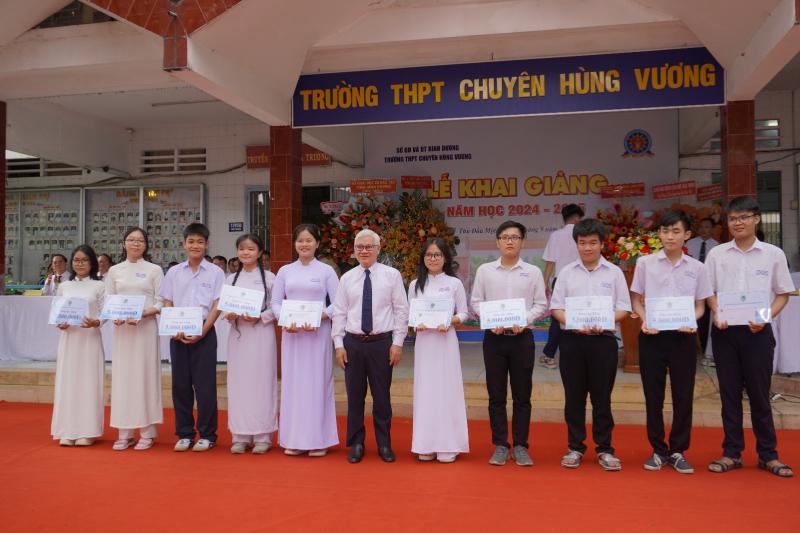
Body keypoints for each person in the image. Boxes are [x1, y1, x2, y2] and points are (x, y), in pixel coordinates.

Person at [705, 196, 795, 477]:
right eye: (733, 218)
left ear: (756, 219)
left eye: (743, 217)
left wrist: (765, 317)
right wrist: (717, 312)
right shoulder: (717, 254)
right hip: (725, 332)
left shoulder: (773, 254)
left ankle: (768, 455)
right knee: (729, 395)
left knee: (759, 394)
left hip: (758, 332)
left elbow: (783, 294)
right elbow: (709, 292)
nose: (738, 223)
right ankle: (732, 453)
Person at [630, 210, 713, 474]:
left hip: (683, 337)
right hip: (652, 336)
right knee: (652, 396)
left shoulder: (698, 268)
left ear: (687, 234)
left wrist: (692, 320)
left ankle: (678, 450)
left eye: (676, 231)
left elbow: (701, 306)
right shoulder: (645, 263)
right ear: (659, 234)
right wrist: (645, 319)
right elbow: (636, 300)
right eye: (665, 231)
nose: (670, 236)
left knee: (683, 395)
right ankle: (657, 449)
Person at [550, 218, 631, 471]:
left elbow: (624, 308)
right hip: (572, 341)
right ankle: (575, 447)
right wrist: (573, 322)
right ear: (576, 244)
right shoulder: (566, 272)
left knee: (601, 397)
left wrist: (605, 320)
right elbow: (556, 308)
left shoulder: (614, 272)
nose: (587, 247)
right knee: (574, 397)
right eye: (582, 242)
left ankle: (605, 449)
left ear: (602, 244)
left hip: (603, 342)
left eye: (593, 242)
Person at [470, 220, 547, 467]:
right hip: (494, 339)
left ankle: (521, 445)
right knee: (496, 395)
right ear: (497, 242)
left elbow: (541, 304)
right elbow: (476, 302)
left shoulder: (533, 272)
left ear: (522, 242)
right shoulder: (485, 271)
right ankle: (501, 445)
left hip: (522, 339)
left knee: (522, 395)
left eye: (514, 237)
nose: (510, 241)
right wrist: (489, 319)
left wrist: (524, 320)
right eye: (505, 237)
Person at [332, 229, 409, 464]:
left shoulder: (392, 275)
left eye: (369, 247)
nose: (364, 251)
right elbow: (339, 312)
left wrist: (397, 343)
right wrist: (338, 344)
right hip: (353, 343)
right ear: (354, 250)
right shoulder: (347, 278)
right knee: (355, 396)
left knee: (382, 397)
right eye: (360, 247)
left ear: (378, 248)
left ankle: (384, 443)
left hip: (381, 344)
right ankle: (356, 443)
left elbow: (401, 310)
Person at [272, 224, 339, 457]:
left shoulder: (326, 271)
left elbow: (339, 303)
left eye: (309, 240)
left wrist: (322, 316)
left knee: (317, 384)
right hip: (293, 336)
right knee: (293, 385)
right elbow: (275, 303)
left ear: (317, 243)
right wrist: (284, 318)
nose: (304, 244)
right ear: (294, 244)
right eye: (300, 240)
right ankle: (293, 439)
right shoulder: (285, 271)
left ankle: (319, 440)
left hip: (317, 335)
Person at [159, 223, 225, 452]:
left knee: (205, 387)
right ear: (184, 244)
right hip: (178, 334)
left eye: (200, 242)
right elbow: (167, 300)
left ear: (207, 244)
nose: (195, 245)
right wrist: (172, 325)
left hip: (204, 333)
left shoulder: (216, 272)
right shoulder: (174, 272)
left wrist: (203, 331)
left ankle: (207, 434)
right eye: (191, 241)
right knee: (180, 385)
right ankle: (185, 433)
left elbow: (217, 304)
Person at [409, 238, 469, 463]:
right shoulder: (415, 284)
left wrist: (450, 320)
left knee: (447, 389)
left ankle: (448, 444)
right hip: (425, 343)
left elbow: (464, 313)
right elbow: (411, 315)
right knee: (426, 391)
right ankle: (425, 443)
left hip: (446, 342)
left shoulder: (454, 284)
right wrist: (417, 323)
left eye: (437, 255)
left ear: (445, 258)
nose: (432, 259)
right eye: (429, 255)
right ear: (423, 258)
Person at [106, 228, 164, 451]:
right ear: (124, 243)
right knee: (123, 378)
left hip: (145, 330)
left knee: (145, 376)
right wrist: (115, 316)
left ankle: (147, 432)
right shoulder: (114, 271)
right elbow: (109, 300)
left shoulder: (154, 270)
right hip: (123, 332)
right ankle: (124, 432)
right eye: (131, 240)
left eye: (140, 240)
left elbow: (161, 301)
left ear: (146, 245)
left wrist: (145, 313)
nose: (135, 244)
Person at [222, 234, 277, 455]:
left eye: (251, 249)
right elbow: (224, 307)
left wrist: (260, 316)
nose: (246, 252)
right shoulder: (230, 280)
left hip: (261, 335)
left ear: (260, 252)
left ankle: (263, 436)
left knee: (262, 382)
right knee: (238, 384)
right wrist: (229, 314)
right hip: (239, 337)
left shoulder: (270, 278)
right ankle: (240, 435)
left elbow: (277, 307)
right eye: (242, 249)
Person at [50, 245, 105, 446]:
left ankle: (87, 431)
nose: (80, 264)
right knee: (68, 382)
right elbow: (56, 311)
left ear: (92, 263)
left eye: (84, 260)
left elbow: (105, 311)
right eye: (76, 260)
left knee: (88, 382)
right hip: (70, 339)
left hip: (89, 339)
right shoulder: (64, 286)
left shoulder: (99, 286)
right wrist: (59, 323)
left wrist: (97, 322)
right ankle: (66, 430)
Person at [541, 204, 584, 369]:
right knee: (581, 314)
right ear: (577, 217)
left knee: (557, 318)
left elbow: (550, 262)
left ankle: (549, 355)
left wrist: (544, 283)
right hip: (582, 279)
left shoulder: (556, 235)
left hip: (560, 280)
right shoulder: (582, 234)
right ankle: (577, 355)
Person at [686, 217, 719, 363]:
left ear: (712, 229)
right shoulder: (689, 244)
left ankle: (706, 350)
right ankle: (690, 348)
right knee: (689, 315)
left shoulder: (716, 247)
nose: (704, 230)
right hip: (690, 286)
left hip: (708, 288)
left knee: (705, 320)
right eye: (701, 227)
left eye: (707, 227)